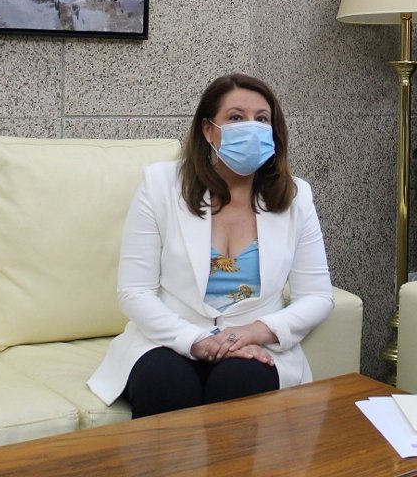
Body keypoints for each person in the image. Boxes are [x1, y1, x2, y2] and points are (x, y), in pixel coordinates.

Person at [87, 73, 335, 417]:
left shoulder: (296, 196)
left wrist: (255, 332)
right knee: (166, 384)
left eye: (262, 119)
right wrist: (198, 341)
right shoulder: (160, 185)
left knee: (240, 382)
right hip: (169, 338)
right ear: (208, 130)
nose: (251, 127)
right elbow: (134, 292)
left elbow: (318, 296)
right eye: (236, 117)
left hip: (252, 344)